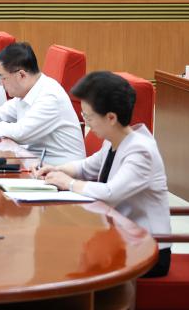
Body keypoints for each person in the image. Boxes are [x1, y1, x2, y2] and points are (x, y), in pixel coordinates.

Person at [36, 71, 171, 278]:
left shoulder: (141, 151)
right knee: (64, 256)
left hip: (148, 249)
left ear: (111, 118)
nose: (87, 123)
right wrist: (58, 169)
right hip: (120, 239)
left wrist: (69, 183)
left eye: (88, 117)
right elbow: (86, 167)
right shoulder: (114, 141)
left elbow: (110, 193)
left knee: (72, 266)